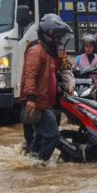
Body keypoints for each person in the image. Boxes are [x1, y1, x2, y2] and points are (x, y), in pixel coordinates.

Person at [20, 14, 73, 161]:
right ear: (49, 35)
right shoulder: (36, 51)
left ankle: (33, 161)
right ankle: (41, 163)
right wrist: (31, 98)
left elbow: (62, 71)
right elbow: (29, 75)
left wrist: (64, 86)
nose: (60, 41)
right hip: (36, 103)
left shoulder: (52, 52)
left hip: (45, 102)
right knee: (52, 135)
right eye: (57, 37)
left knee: (39, 138)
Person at [74, 34, 97, 104]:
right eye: (86, 46)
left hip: (96, 84)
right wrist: (75, 70)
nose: (88, 48)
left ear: (94, 47)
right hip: (82, 83)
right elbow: (73, 68)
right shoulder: (78, 58)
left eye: (90, 46)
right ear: (84, 47)